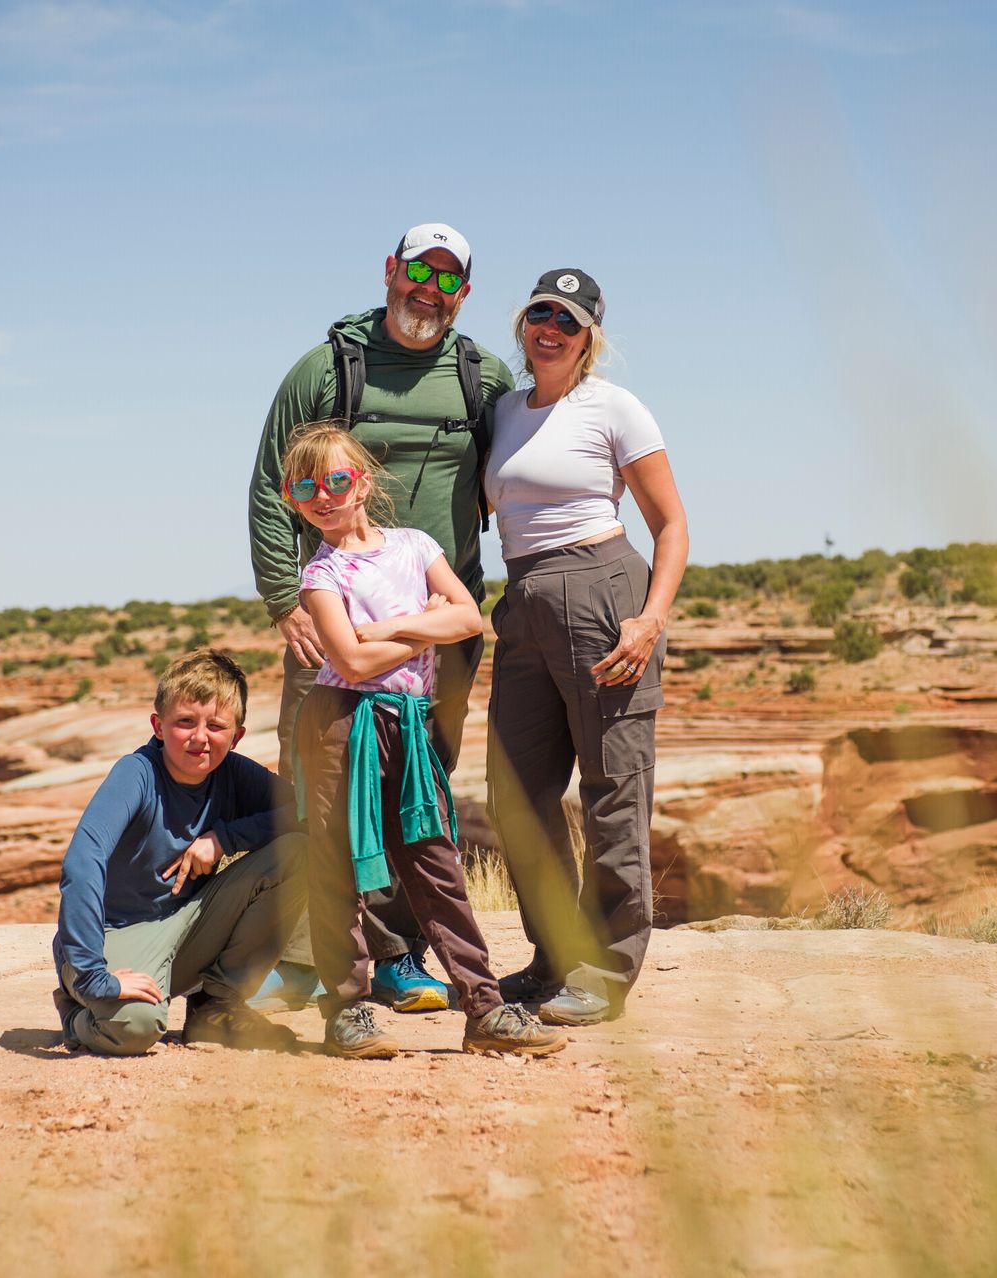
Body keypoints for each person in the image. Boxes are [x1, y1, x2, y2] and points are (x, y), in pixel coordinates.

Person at [246, 223, 516, 1014]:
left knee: (416, 795)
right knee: (317, 789)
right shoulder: (328, 367)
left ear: (462, 294)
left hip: (439, 627)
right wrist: (283, 598)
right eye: (417, 272)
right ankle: (313, 959)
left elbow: (525, 456)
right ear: (391, 270)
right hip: (331, 622)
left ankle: (399, 960)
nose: (427, 291)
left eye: (447, 280)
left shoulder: (481, 376)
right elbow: (270, 481)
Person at [281, 423, 564, 1059]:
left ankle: (484, 1007)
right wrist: (426, 624)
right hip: (341, 724)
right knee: (338, 868)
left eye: (335, 480)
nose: (322, 496)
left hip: (407, 722)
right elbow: (349, 662)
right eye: (305, 487)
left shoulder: (414, 544)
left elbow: (467, 617)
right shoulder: (320, 574)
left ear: (365, 482)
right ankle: (348, 1010)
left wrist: (396, 627)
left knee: (433, 861)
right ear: (291, 498)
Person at [484, 269, 690, 1026]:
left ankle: (605, 971)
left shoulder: (613, 408)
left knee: (613, 791)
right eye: (541, 313)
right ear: (523, 323)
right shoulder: (504, 411)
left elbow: (671, 524)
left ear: (588, 337)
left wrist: (650, 618)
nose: (551, 329)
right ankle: (554, 956)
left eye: (568, 322)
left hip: (603, 592)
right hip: (524, 604)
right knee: (514, 794)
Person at [51, 650, 304, 1055]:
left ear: (236, 736)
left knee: (301, 854)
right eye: (184, 722)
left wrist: (225, 838)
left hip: (186, 931)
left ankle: (217, 1009)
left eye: (216, 726)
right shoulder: (136, 774)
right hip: (116, 938)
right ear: (158, 726)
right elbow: (82, 864)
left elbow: (307, 815)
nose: (200, 737)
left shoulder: (234, 774)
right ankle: (76, 1013)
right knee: (136, 1028)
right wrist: (93, 975)